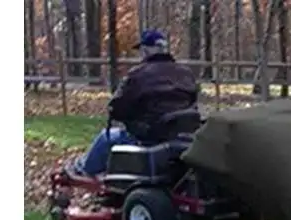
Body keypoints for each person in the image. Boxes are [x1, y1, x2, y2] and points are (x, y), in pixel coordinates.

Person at [66, 30, 199, 179]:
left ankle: (84, 169)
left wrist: (129, 116)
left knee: (106, 138)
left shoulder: (138, 75)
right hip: (182, 133)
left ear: (146, 50)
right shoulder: (186, 73)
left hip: (150, 135)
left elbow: (117, 108)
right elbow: (193, 102)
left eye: (142, 50)